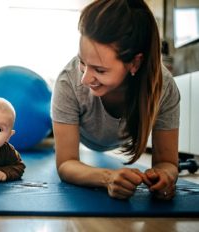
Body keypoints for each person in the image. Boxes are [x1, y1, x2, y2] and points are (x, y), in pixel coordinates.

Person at [51, 0, 180, 200]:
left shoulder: (163, 87)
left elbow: (168, 163)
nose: (85, 79)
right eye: (82, 62)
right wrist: (107, 177)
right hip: (79, 128)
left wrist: (165, 176)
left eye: (100, 70)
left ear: (135, 63)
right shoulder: (68, 82)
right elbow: (66, 163)